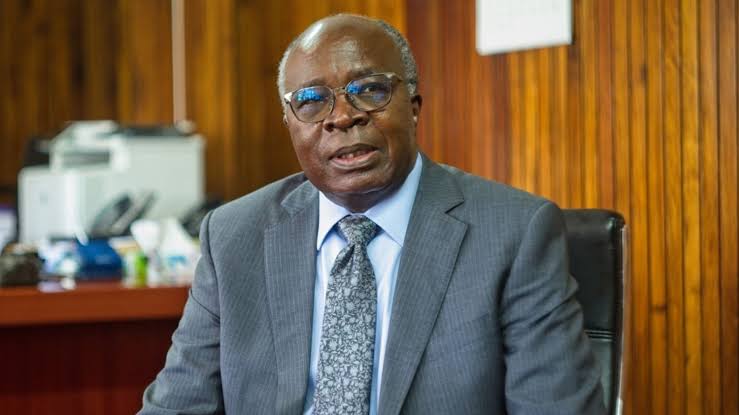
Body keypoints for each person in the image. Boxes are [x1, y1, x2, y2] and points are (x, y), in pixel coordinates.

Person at [140, 14, 605, 415]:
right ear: (290, 125)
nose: (342, 116)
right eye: (311, 100)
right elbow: (178, 404)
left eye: (368, 90)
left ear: (414, 108)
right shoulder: (234, 236)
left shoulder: (513, 233)